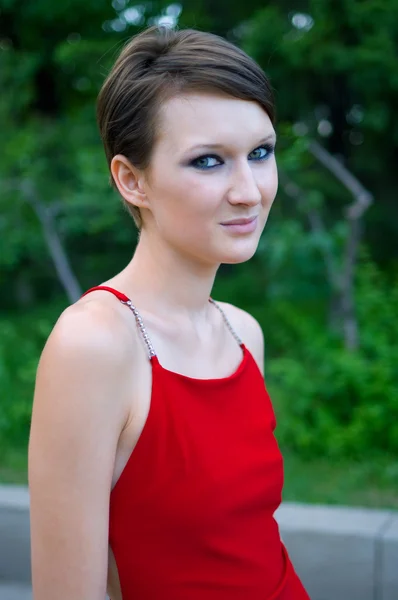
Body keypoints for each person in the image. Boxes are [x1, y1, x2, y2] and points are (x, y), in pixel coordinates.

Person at [28, 25, 311, 600]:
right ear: (131, 180)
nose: (249, 191)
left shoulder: (241, 332)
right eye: (208, 161)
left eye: (260, 153)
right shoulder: (94, 344)